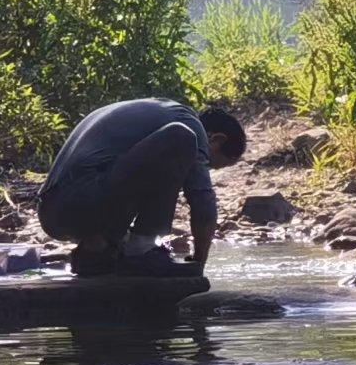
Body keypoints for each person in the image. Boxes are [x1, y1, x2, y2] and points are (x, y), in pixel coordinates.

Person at [38, 99, 247, 277]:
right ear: (216, 140)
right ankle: (142, 249)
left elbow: (128, 178)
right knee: (180, 137)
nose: (204, 168)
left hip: (53, 212)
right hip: (77, 202)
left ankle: (95, 250)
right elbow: (203, 203)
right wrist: (199, 263)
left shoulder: (157, 113)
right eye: (212, 164)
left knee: (156, 161)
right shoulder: (189, 126)